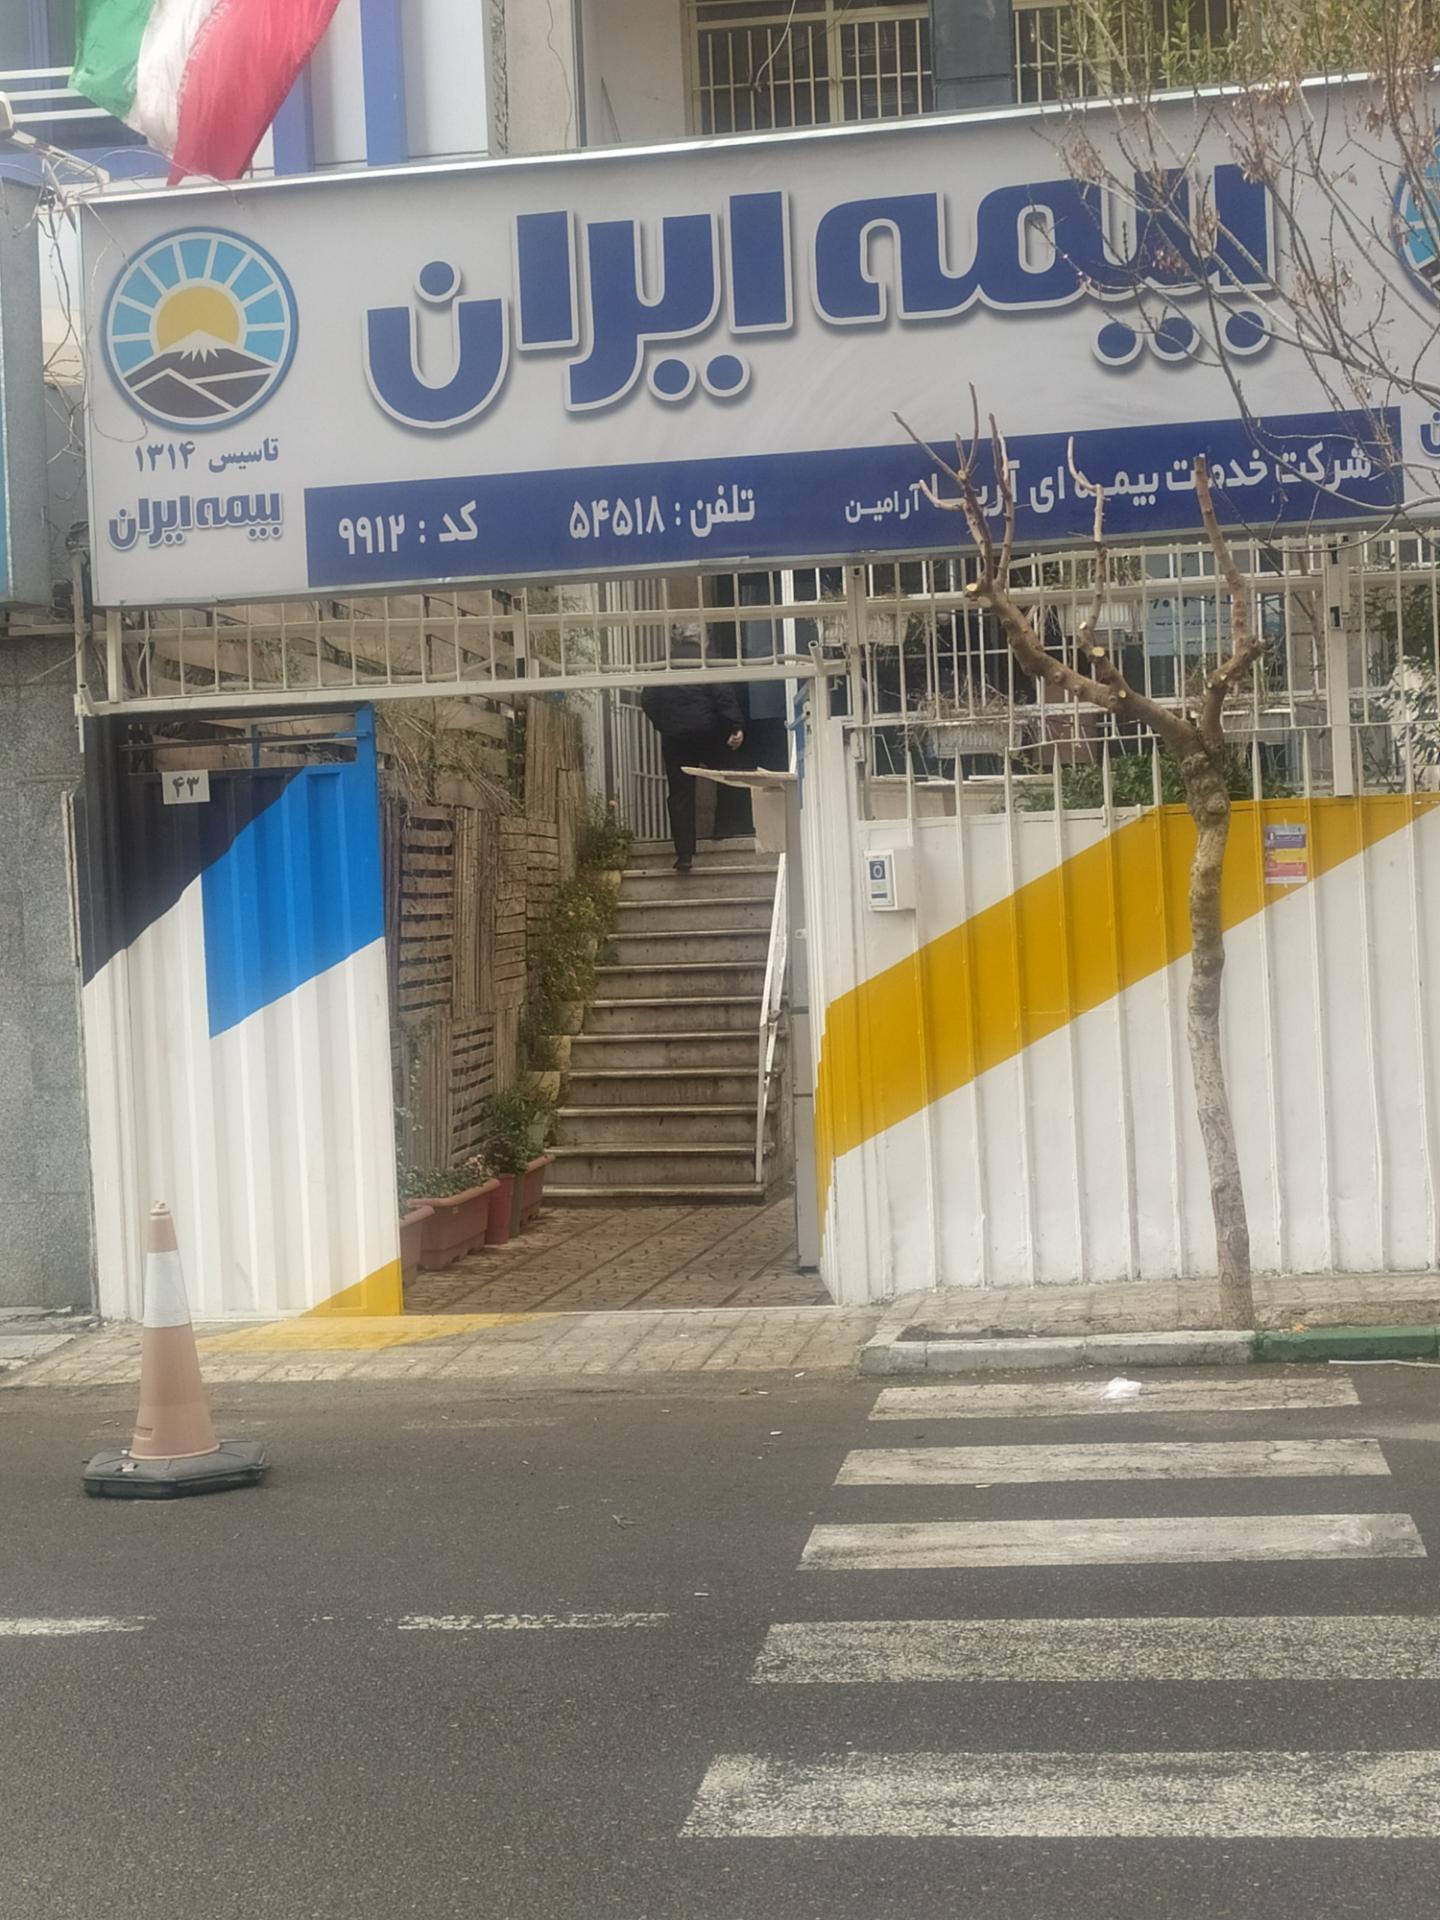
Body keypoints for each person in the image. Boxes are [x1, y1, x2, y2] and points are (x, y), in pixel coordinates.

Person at [641, 631, 745, 871]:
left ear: (675, 640)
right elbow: (723, 694)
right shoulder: (708, 660)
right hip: (710, 733)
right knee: (727, 776)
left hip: (676, 737)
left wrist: (664, 724)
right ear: (703, 639)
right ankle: (724, 829)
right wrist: (735, 726)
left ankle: (685, 853)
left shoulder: (663, 664)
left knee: (680, 793)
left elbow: (648, 699)